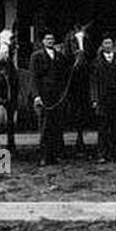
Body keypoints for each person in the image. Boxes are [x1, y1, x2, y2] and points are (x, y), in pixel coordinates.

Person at [30, 30, 72, 167]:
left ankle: (56, 154)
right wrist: (36, 96)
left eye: (52, 39)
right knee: (45, 126)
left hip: (58, 96)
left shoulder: (60, 57)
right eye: (47, 39)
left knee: (57, 125)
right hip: (44, 96)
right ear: (43, 41)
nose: (50, 41)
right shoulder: (36, 56)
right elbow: (34, 78)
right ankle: (44, 156)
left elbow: (65, 76)